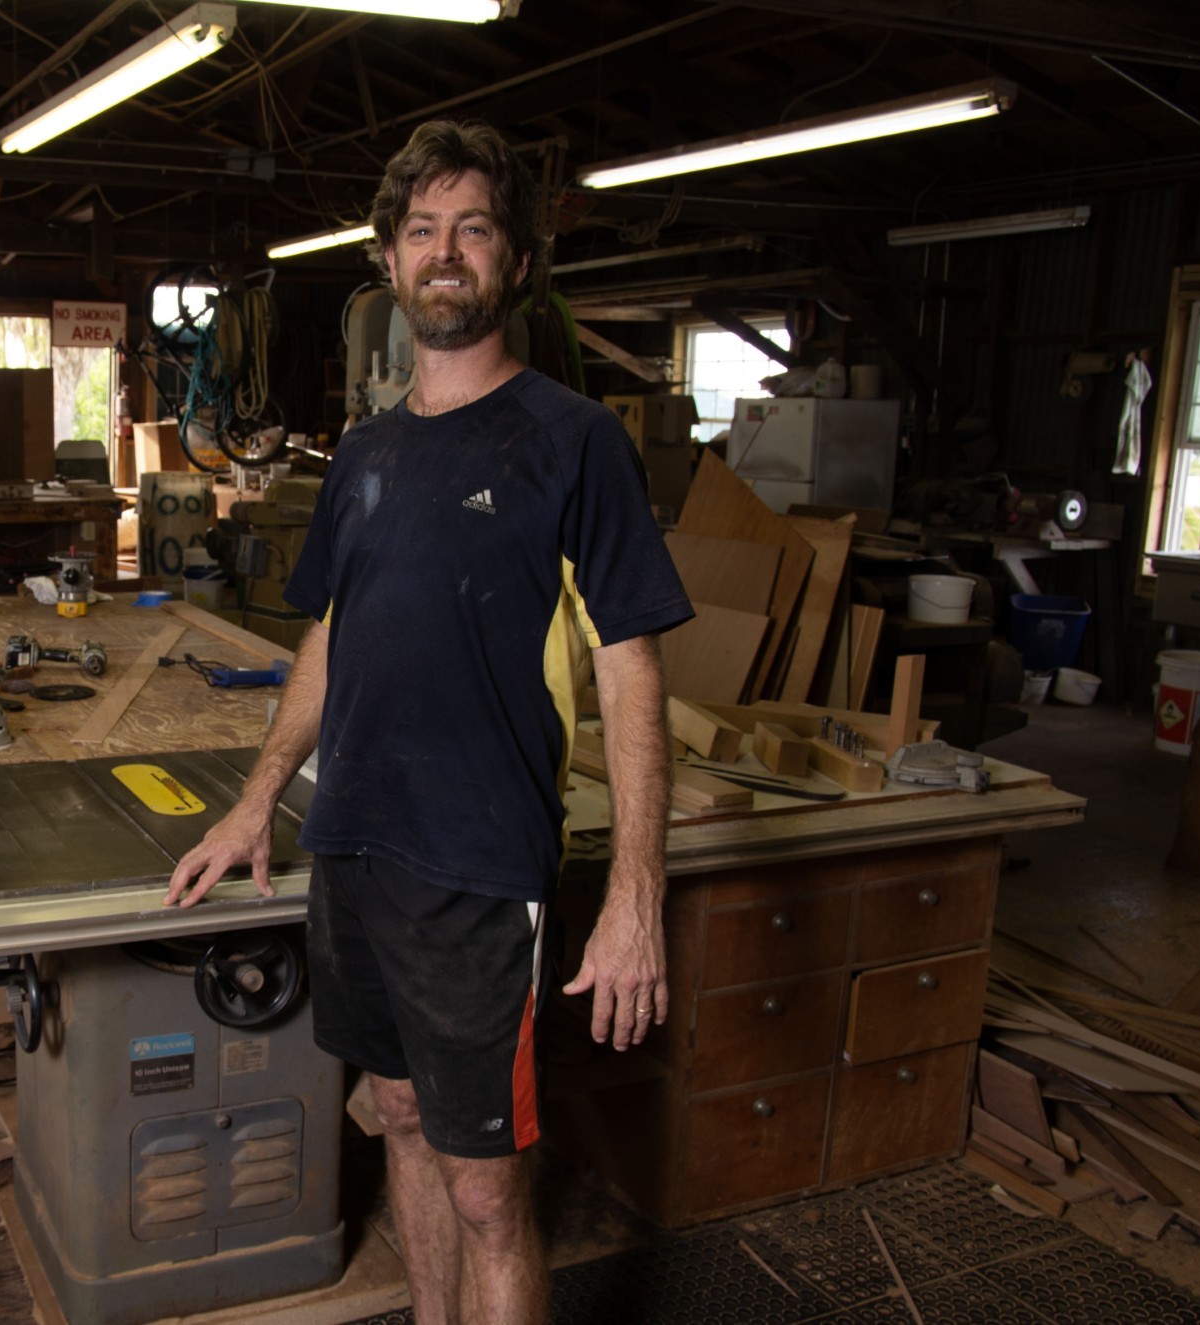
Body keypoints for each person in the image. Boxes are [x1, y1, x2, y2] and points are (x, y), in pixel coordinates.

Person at [163, 119, 692, 1325]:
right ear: (389, 267)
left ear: (510, 263)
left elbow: (630, 667)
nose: (443, 253)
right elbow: (331, 634)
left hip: (475, 872)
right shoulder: (363, 452)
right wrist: (259, 797)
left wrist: (633, 898)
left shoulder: (574, 440)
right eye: (419, 232)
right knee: (395, 1114)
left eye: (471, 229)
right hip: (351, 851)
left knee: (490, 1194)